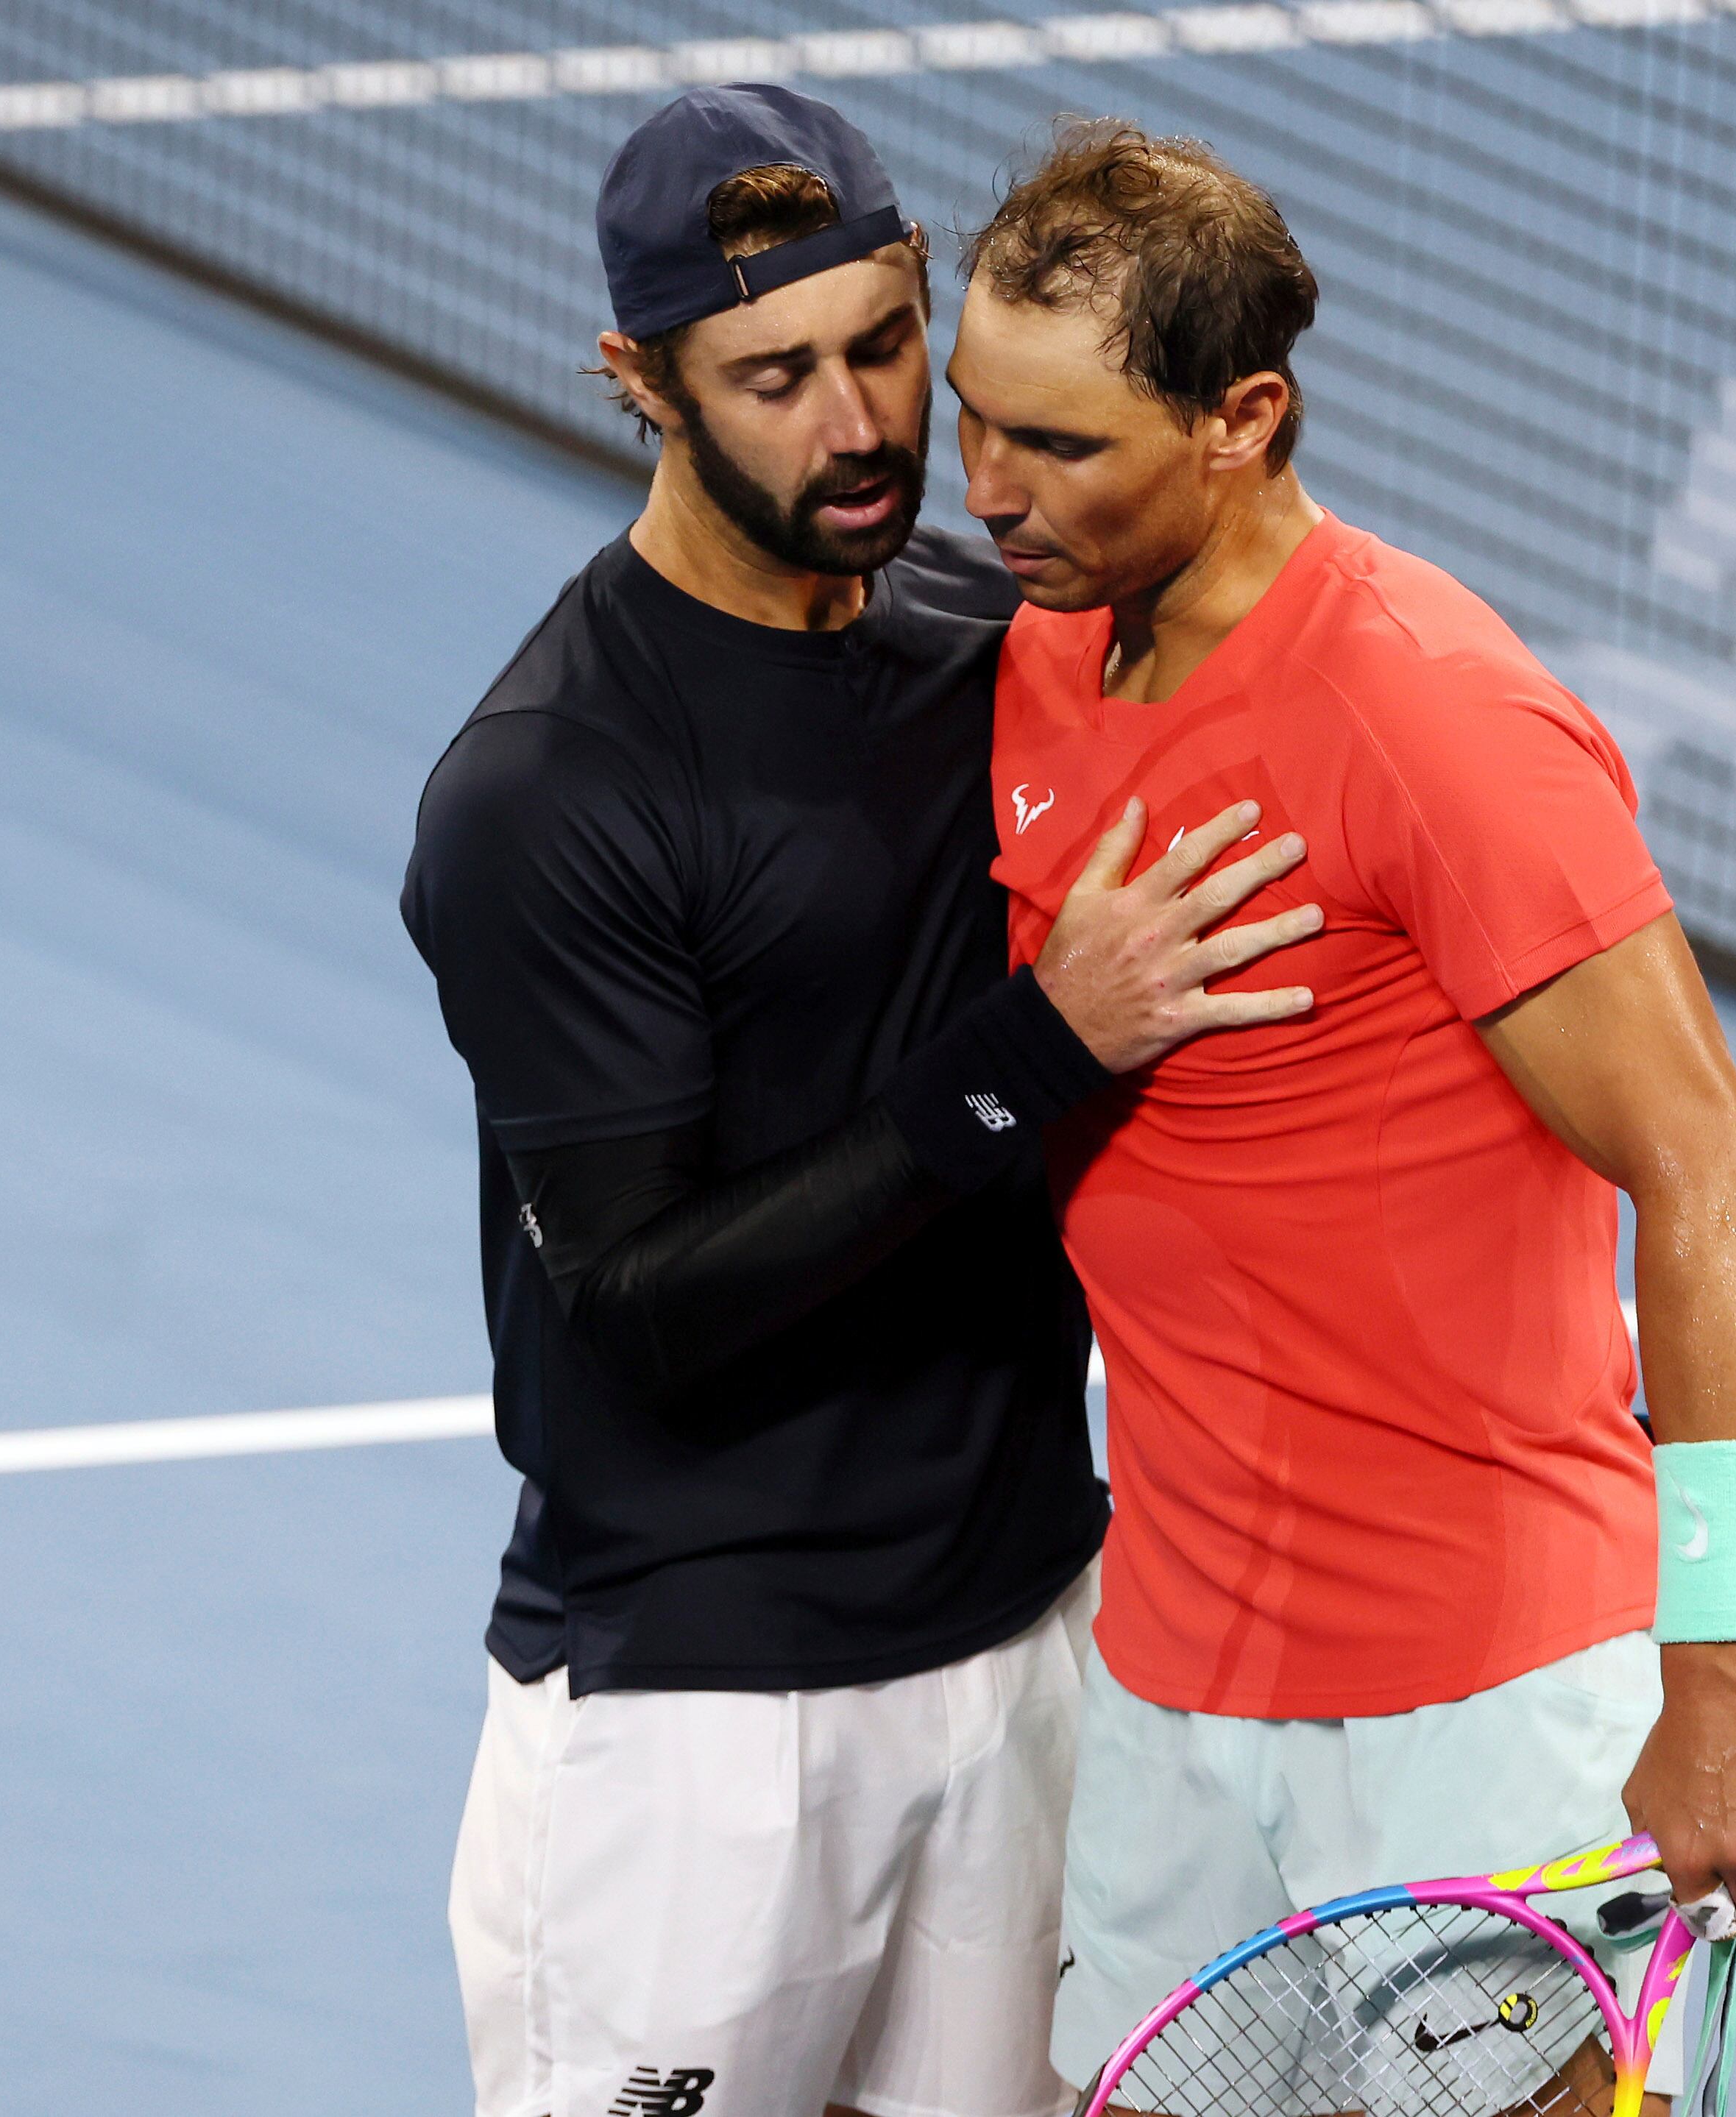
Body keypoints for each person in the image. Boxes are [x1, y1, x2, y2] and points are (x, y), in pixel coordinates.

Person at [400, 88, 1319, 2117]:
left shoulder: (1008, 646)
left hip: (1022, 1647)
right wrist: (1032, 1051)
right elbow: (641, 1303)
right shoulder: (550, 790)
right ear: (637, 379)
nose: (861, 424)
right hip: (704, 1721)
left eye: (883, 343)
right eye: (773, 374)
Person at [950, 122, 1736, 2109]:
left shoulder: (1429, 715)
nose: (992, 492)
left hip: (1482, 1705)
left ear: (1240, 419)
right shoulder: (1039, 660)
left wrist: (1724, 1680)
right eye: (975, 426)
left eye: (1063, 447)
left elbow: (1717, 1173)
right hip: (1173, 1678)